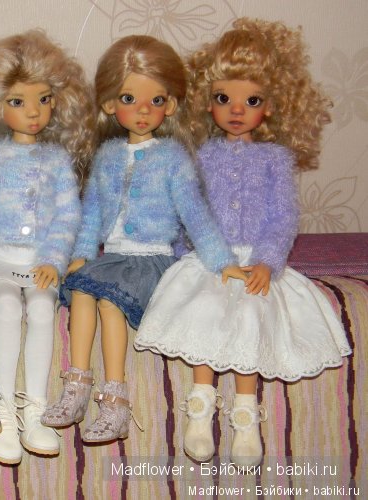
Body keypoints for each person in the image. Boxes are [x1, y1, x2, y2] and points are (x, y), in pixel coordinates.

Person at [135, 18, 352, 466]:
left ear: (270, 107)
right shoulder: (201, 155)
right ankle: (199, 410)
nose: (236, 110)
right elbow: (191, 210)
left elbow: (283, 217)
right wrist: (193, 253)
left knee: (252, 314)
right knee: (205, 310)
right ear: (207, 103)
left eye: (251, 100)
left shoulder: (275, 159)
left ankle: (246, 416)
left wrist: (269, 261)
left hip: (255, 258)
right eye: (223, 98)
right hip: (211, 259)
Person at [42, 35, 245, 444]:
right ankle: (77, 385)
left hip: (150, 259)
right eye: (129, 99)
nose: (143, 110)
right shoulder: (107, 156)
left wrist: (223, 261)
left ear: (169, 105)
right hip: (113, 257)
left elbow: (195, 215)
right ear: (109, 105)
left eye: (155, 101)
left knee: (110, 301)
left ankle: (116, 400)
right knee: (81, 290)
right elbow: (92, 211)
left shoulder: (172, 158)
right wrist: (82, 252)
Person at [0, 30, 95, 464]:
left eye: (43, 99)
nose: (33, 112)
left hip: (40, 262)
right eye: (18, 101)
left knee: (42, 309)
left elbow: (68, 215)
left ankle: (34, 409)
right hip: (2, 257)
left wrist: (54, 258)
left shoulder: (57, 161)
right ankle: (1, 408)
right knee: (7, 307)